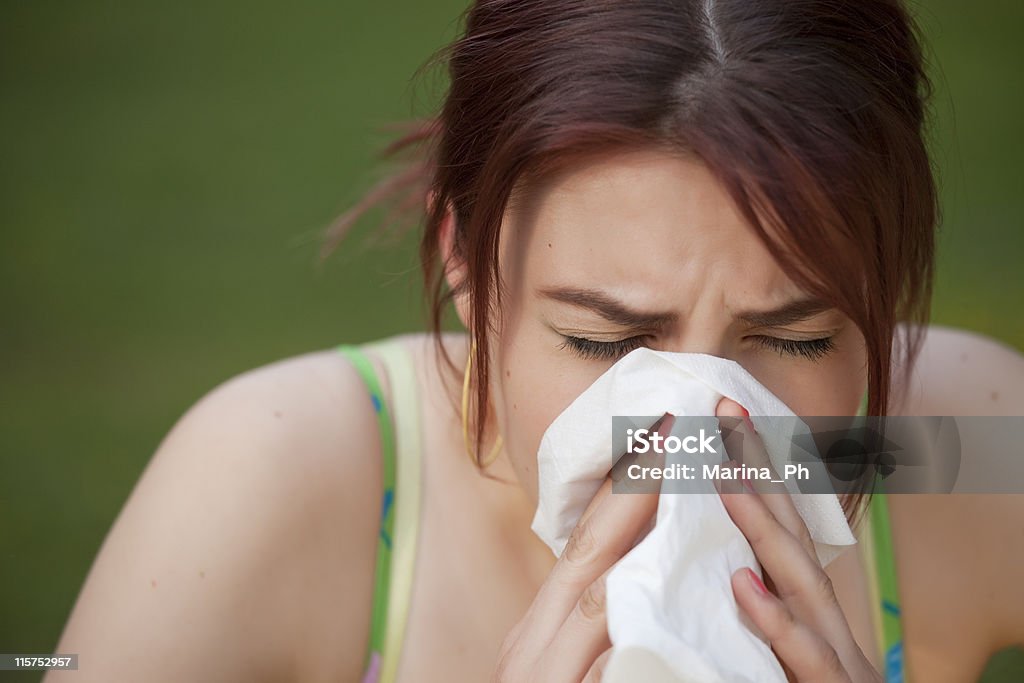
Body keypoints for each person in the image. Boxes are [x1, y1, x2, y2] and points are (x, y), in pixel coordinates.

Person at [47, 1, 1024, 681]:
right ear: (466, 265)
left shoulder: (952, 450)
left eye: (798, 337)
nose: (690, 427)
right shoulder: (281, 476)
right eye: (605, 341)